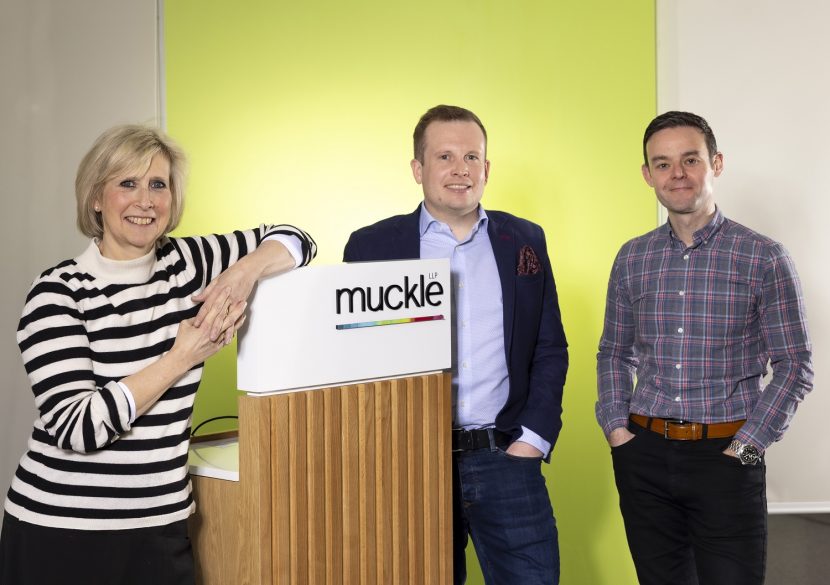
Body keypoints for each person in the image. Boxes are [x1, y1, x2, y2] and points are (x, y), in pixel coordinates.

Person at [0, 125, 316, 585]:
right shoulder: (57, 292)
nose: (145, 201)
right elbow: (78, 428)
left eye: (158, 185)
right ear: (95, 198)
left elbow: (296, 239)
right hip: (61, 531)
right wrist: (183, 355)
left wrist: (241, 275)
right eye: (127, 183)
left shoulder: (188, 263)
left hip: (160, 526)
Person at [344, 105, 568, 585]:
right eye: (444, 156)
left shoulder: (524, 240)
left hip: (506, 455)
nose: (460, 169)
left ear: (486, 169)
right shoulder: (371, 247)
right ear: (418, 169)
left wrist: (534, 439)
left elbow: (549, 347)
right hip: (409, 464)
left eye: (472, 156)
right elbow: (356, 360)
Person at [596, 111, 813, 585]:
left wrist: (748, 447)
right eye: (662, 163)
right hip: (644, 457)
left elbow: (795, 365)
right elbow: (614, 351)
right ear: (647, 174)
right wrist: (617, 431)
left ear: (715, 163)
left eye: (690, 159)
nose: (677, 174)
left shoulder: (763, 256)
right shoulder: (632, 257)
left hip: (727, 459)